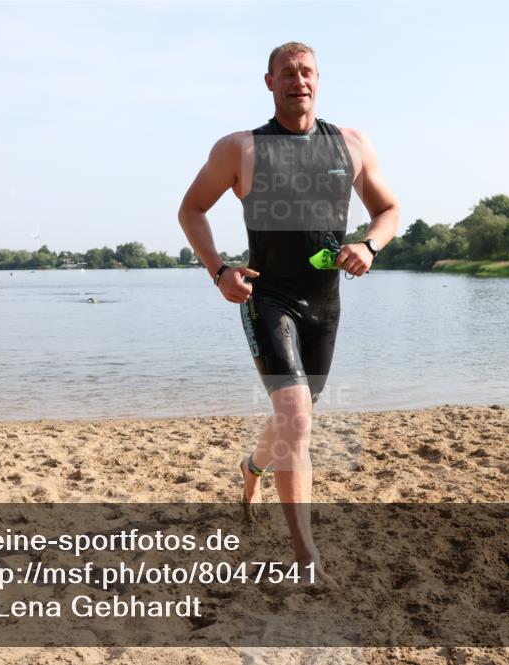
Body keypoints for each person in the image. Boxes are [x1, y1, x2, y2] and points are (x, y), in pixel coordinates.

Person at [178, 41, 399, 583]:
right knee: (296, 418)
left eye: (306, 72)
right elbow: (191, 209)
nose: (297, 80)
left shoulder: (351, 144)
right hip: (267, 299)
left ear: (318, 79)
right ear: (269, 82)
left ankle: (252, 467)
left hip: (326, 304)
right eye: (287, 73)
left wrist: (369, 246)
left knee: (291, 423)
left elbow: (388, 210)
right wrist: (218, 271)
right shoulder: (241, 149)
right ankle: (306, 557)